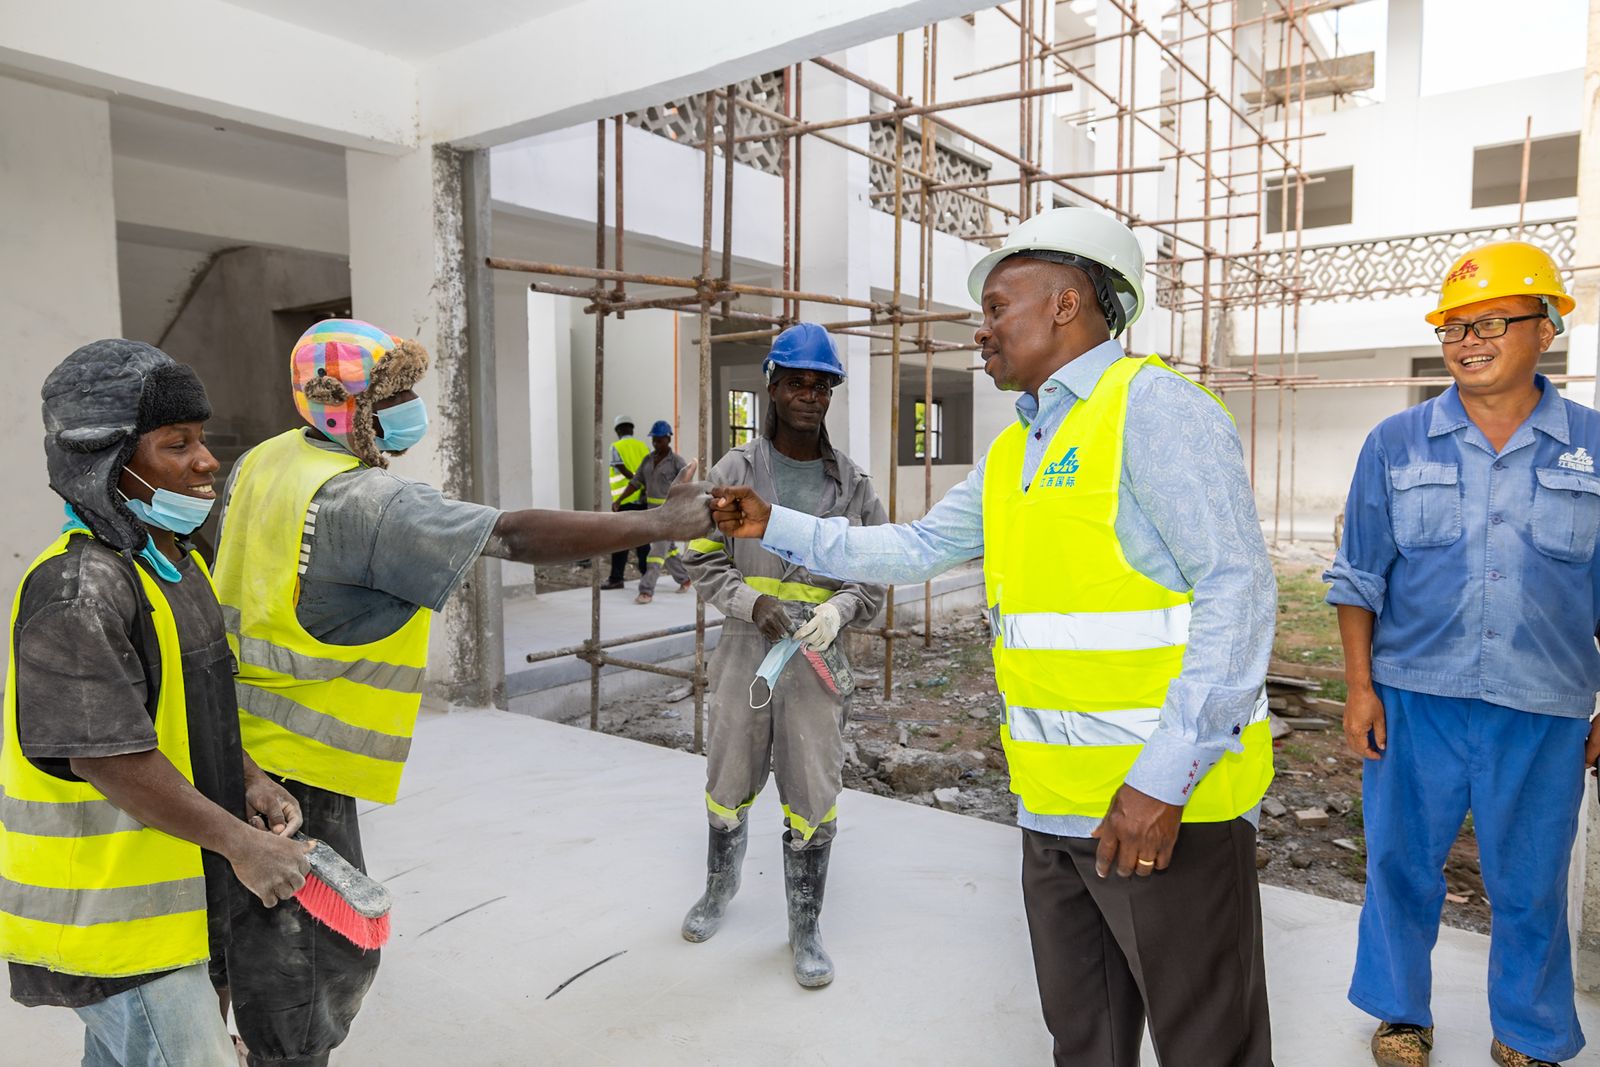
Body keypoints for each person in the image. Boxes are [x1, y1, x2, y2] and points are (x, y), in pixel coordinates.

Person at [708, 210, 1277, 1062]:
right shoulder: (1017, 447)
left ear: (1066, 304)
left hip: (1165, 809)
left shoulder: (1154, 408)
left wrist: (1164, 779)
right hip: (1051, 806)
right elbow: (915, 547)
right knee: (1085, 1040)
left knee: (1207, 1048)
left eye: (998, 306)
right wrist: (774, 523)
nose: (981, 329)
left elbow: (1239, 588)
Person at [212, 319, 713, 1066]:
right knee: (310, 964)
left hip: (233, 741)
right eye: (394, 396)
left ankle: (224, 1040)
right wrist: (661, 520)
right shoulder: (363, 501)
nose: (413, 408)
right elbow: (512, 536)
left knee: (237, 931)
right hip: (298, 770)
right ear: (345, 408)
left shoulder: (267, 458)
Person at [2, 340, 311, 1067]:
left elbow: (192, 702)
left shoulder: (172, 564)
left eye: (201, 439)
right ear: (108, 462)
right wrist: (243, 844)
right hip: (115, 925)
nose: (206, 461)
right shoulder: (80, 590)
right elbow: (110, 758)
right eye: (178, 444)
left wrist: (248, 777)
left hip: (177, 905)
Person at [1327, 241, 1597, 1067]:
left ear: (1545, 328)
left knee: (1530, 881)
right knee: (1401, 867)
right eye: (1453, 327)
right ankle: (1399, 1011)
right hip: (1414, 699)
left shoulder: (1593, 446)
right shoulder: (1397, 441)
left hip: (1543, 704)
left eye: (1489, 323)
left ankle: (1529, 1031)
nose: (1467, 341)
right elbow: (1358, 575)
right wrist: (1360, 688)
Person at [679, 323, 887, 988]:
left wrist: (839, 610)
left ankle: (805, 926)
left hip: (816, 658)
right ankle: (719, 889)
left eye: (822, 385)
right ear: (771, 386)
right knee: (728, 776)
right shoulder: (735, 473)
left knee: (813, 788)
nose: (810, 395)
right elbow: (701, 556)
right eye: (797, 382)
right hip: (747, 649)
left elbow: (874, 572)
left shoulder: (851, 484)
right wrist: (750, 603)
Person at [616, 419, 694, 604]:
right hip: (652, 513)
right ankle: (685, 578)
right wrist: (619, 500)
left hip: (669, 514)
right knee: (669, 550)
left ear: (668, 439)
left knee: (657, 553)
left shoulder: (677, 462)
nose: (656, 444)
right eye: (654, 440)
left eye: (660, 440)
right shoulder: (648, 460)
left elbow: (686, 487)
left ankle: (646, 591)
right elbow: (636, 482)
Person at [604, 415, 652, 589]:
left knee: (620, 541)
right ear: (632, 429)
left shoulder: (615, 446)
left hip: (625, 500)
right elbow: (650, 471)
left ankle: (616, 578)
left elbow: (622, 469)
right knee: (643, 541)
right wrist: (643, 485)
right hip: (643, 500)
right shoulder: (643, 447)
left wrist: (635, 483)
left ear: (618, 430)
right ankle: (647, 577)